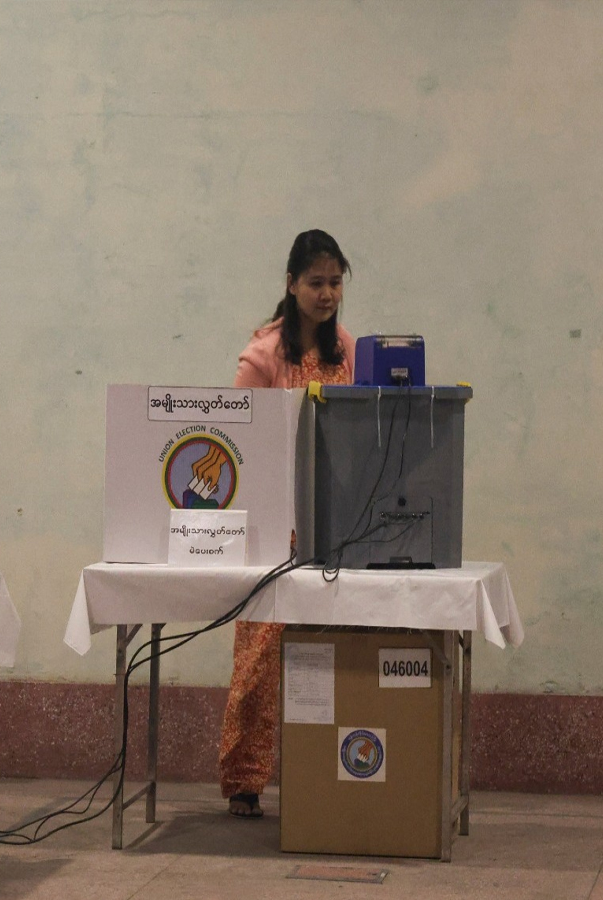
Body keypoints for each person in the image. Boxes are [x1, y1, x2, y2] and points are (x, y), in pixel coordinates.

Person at [219, 229, 356, 819]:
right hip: (273, 530)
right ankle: (245, 781)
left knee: (334, 651)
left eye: (335, 284)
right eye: (316, 283)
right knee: (258, 660)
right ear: (292, 285)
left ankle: (333, 769)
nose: (327, 295)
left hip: (335, 526)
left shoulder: (348, 351)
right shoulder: (261, 356)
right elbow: (240, 445)